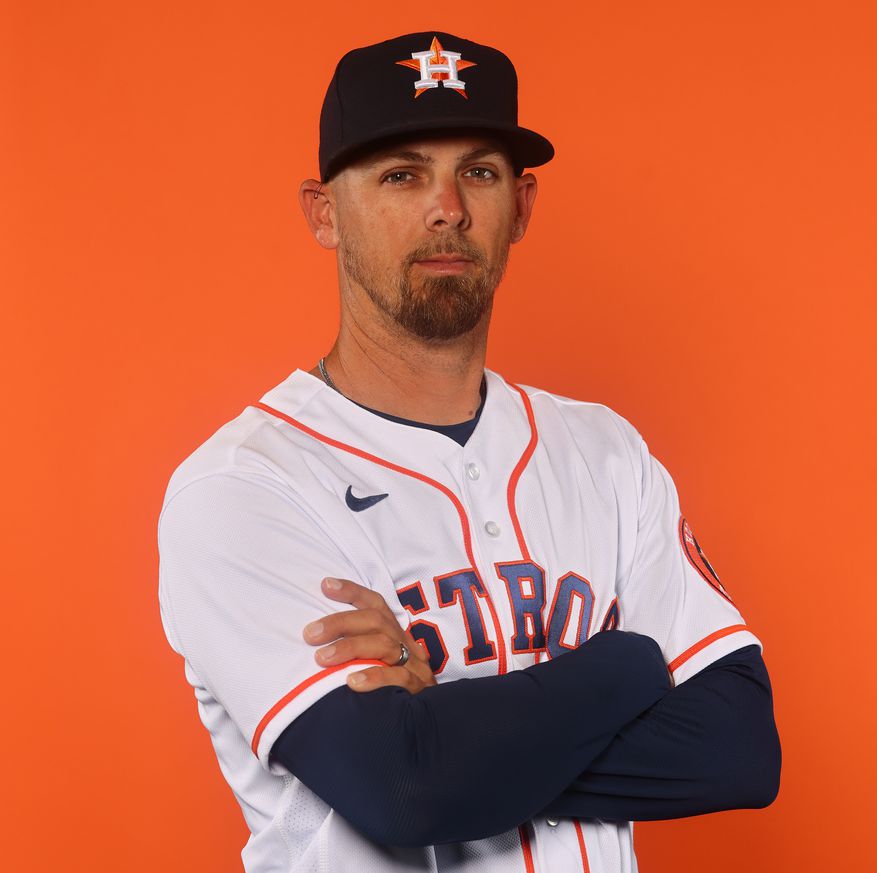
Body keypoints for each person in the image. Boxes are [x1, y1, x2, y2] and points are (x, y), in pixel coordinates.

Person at [157, 30, 780, 873]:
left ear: (520, 207)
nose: (446, 207)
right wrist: (629, 662)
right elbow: (407, 789)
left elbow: (736, 748)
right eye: (401, 174)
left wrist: (450, 728)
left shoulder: (606, 454)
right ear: (324, 213)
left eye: (477, 173)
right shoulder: (245, 488)